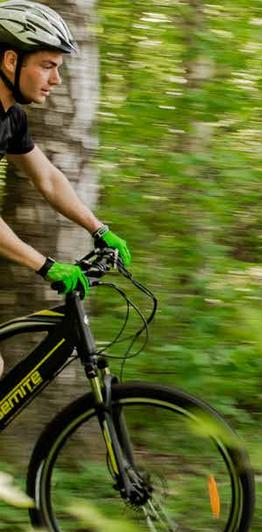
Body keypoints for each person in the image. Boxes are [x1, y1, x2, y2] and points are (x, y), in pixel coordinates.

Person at [0, 1, 131, 378]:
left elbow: (49, 178)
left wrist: (99, 229)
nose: (56, 79)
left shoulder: (11, 118)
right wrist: (46, 266)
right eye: (47, 66)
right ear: (11, 60)